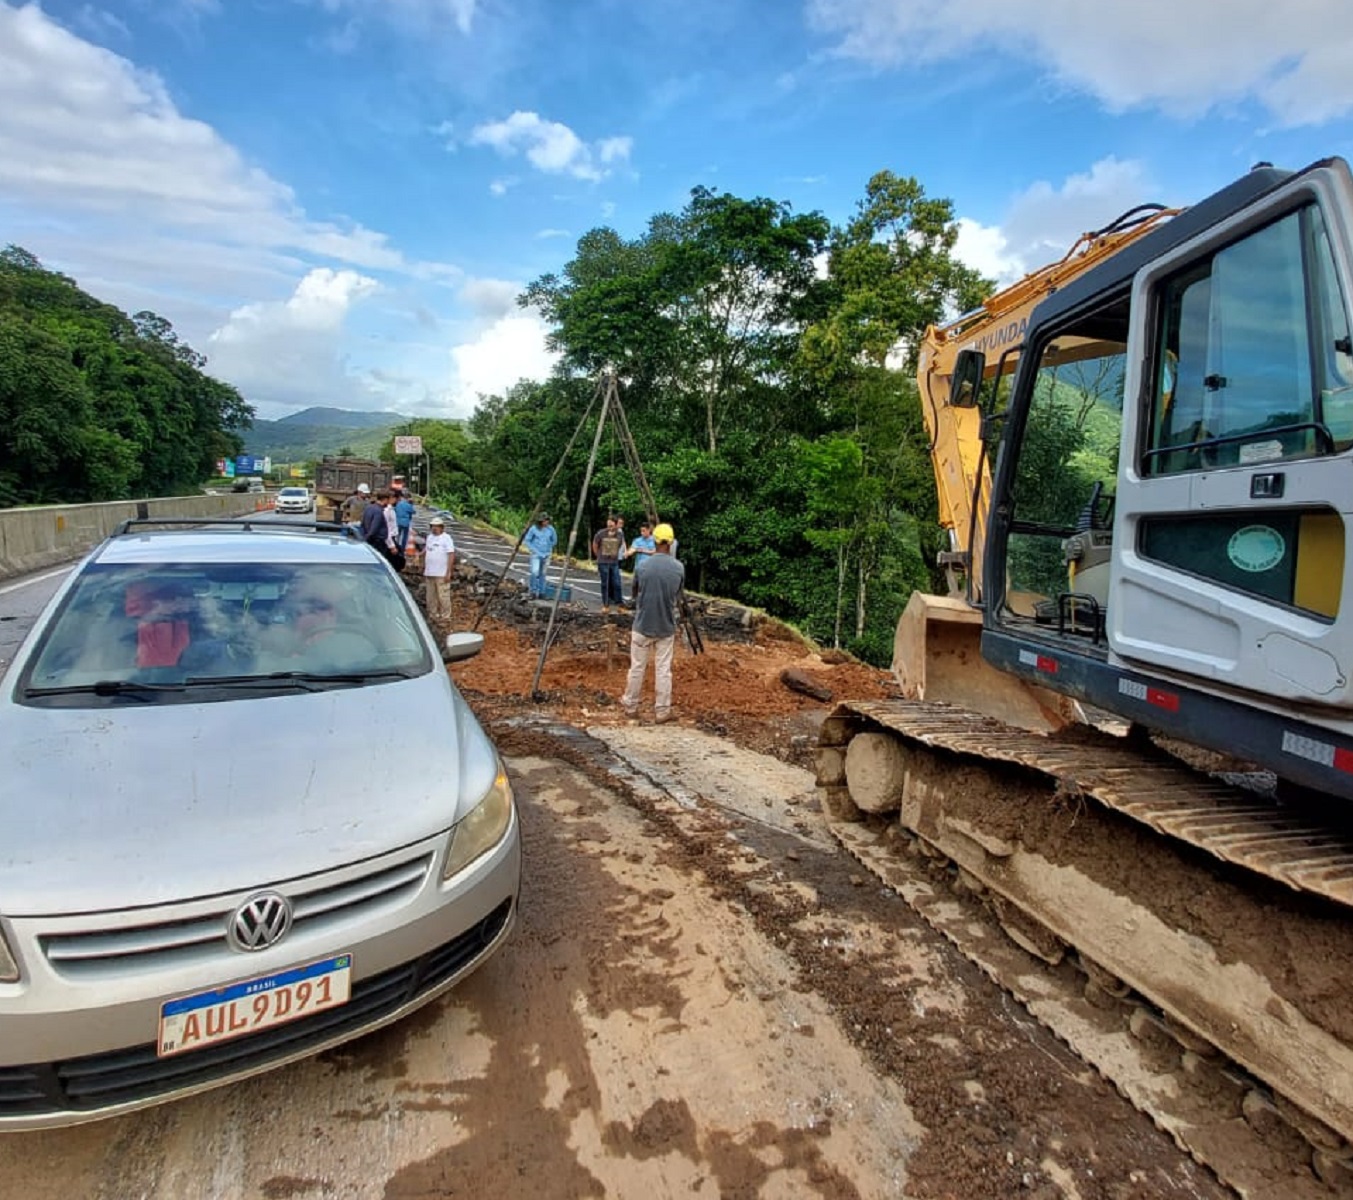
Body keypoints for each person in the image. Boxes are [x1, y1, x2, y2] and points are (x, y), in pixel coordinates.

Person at [620, 523, 685, 724]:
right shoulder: (678, 568)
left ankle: (630, 706)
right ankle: (662, 711)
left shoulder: (642, 567)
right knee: (663, 669)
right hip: (665, 626)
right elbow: (678, 595)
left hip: (642, 625)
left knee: (637, 667)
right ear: (671, 542)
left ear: (654, 541)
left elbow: (634, 593)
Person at [423, 516, 456, 625]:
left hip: (441, 573)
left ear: (442, 527)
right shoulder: (429, 538)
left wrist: (448, 572)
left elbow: (451, 554)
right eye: (433, 526)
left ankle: (445, 617)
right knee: (431, 596)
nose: (434, 529)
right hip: (430, 572)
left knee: (443, 596)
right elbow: (427, 550)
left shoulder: (446, 538)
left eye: (437, 526)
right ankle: (433, 615)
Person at [591, 515, 627, 614]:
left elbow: (618, 545)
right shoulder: (601, 533)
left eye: (612, 525)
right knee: (605, 583)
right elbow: (595, 544)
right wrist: (598, 555)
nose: (610, 527)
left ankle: (619, 604)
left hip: (614, 562)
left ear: (616, 525)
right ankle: (606, 605)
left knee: (617, 583)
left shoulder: (619, 535)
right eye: (608, 525)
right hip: (603, 562)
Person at [523, 513, 557, 597]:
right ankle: (533, 591)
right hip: (536, 554)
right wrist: (534, 550)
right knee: (535, 572)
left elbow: (554, 540)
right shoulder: (533, 529)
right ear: (541, 521)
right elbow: (527, 540)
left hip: (546, 554)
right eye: (544, 520)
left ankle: (542, 592)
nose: (546, 522)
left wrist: (549, 547)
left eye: (547, 520)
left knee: (543, 573)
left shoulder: (551, 529)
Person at [361, 489, 398, 565]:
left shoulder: (369, 508)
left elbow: (363, 524)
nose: (389, 502)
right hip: (377, 542)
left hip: (370, 539)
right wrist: (367, 539)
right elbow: (374, 528)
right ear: (385, 499)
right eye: (389, 500)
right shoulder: (379, 512)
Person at [624, 521, 656, 605]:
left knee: (646, 586)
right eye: (641, 531)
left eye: (644, 531)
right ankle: (634, 600)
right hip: (638, 567)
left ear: (649, 530)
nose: (642, 533)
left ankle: (646, 602)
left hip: (650, 567)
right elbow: (633, 549)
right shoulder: (637, 540)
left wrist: (643, 551)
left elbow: (655, 552)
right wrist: (628, 553)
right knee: (635, 584)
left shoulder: (654, 540)